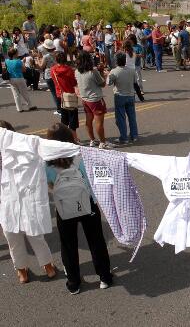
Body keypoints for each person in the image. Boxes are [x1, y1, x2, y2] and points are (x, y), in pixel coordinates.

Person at [45, 123, 113, 294]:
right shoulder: (82, 155)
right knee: (95, 239)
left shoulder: (46, 162)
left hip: (63, 206)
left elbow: (49, 184)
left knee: (68, 244)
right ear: (70, 138)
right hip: (87, 202)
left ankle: (73, 282)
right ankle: (104, 277)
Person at [0, 120, 57, 284]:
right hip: (5, 204)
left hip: (26, 199)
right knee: (12, 237)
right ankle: (21, 268)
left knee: (35, 234)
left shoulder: (25, 150)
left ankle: (47, 264)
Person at [75, 51, 114, 149]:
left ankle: (92, 139)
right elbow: (102, 84)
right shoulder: (93, 72)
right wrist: (102, 73)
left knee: (89, 120)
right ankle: (102, 142)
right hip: (95, 99)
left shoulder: (76, 71)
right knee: (99, 122)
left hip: (85, 99)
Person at [107, 52, 139, 144]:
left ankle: (124, 137)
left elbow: (108, 83)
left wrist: (108, 74)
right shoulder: (131, 70)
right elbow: (134, 81)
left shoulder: (114, 71)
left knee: (121, 118)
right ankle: (134, 135)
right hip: (130, 95)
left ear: (116, 61)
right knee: (132, 117)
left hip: (120, 96)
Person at [50, 52, 79, 142]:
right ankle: (74, 137)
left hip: (60, 95)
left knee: (64, 117)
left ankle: (64, 137)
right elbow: (73, 83)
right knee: (73, 118)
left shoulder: (53, 70)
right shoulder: (69, 70)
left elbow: (54, 81)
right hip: (69, 94)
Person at [5, 48, 36, 112]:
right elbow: (24, 70)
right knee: (24, 93)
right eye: (17, 53)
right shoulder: (18, 61)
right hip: (19, 78)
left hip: (11, 78)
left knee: (16, 94)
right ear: (14, 54)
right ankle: (29, 105)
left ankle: (19, 108)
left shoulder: (7, 61)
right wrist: (23, 62)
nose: (18, 54)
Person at [36, 39, 59, 115]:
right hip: (57, 73)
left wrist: (37, 60)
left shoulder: (46, 56)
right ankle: (62, 107)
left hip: (49, 74)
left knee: (54, 92)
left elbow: (41, 66)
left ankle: (59, 109)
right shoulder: (57, 54)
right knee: (59, 91)